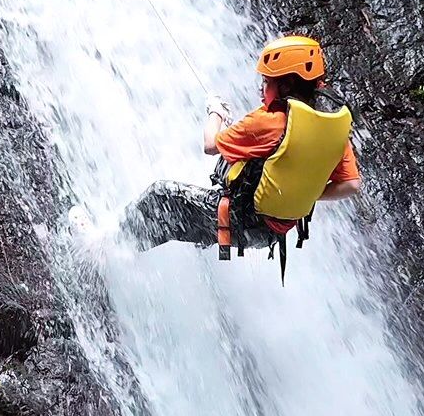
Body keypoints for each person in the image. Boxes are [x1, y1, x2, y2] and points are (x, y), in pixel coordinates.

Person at [122, 35, 360, 262]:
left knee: (161, 196)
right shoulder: (331, 126)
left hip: (239, 220)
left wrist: (215, 112)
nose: (261, 88)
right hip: (268, 234)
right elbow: (350, 184)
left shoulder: (268, 121)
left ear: (287, 85)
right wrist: (303, 193)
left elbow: (210, 144)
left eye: (267, 82)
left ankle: (111, 248)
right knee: (183, 222)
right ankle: (131, 256)